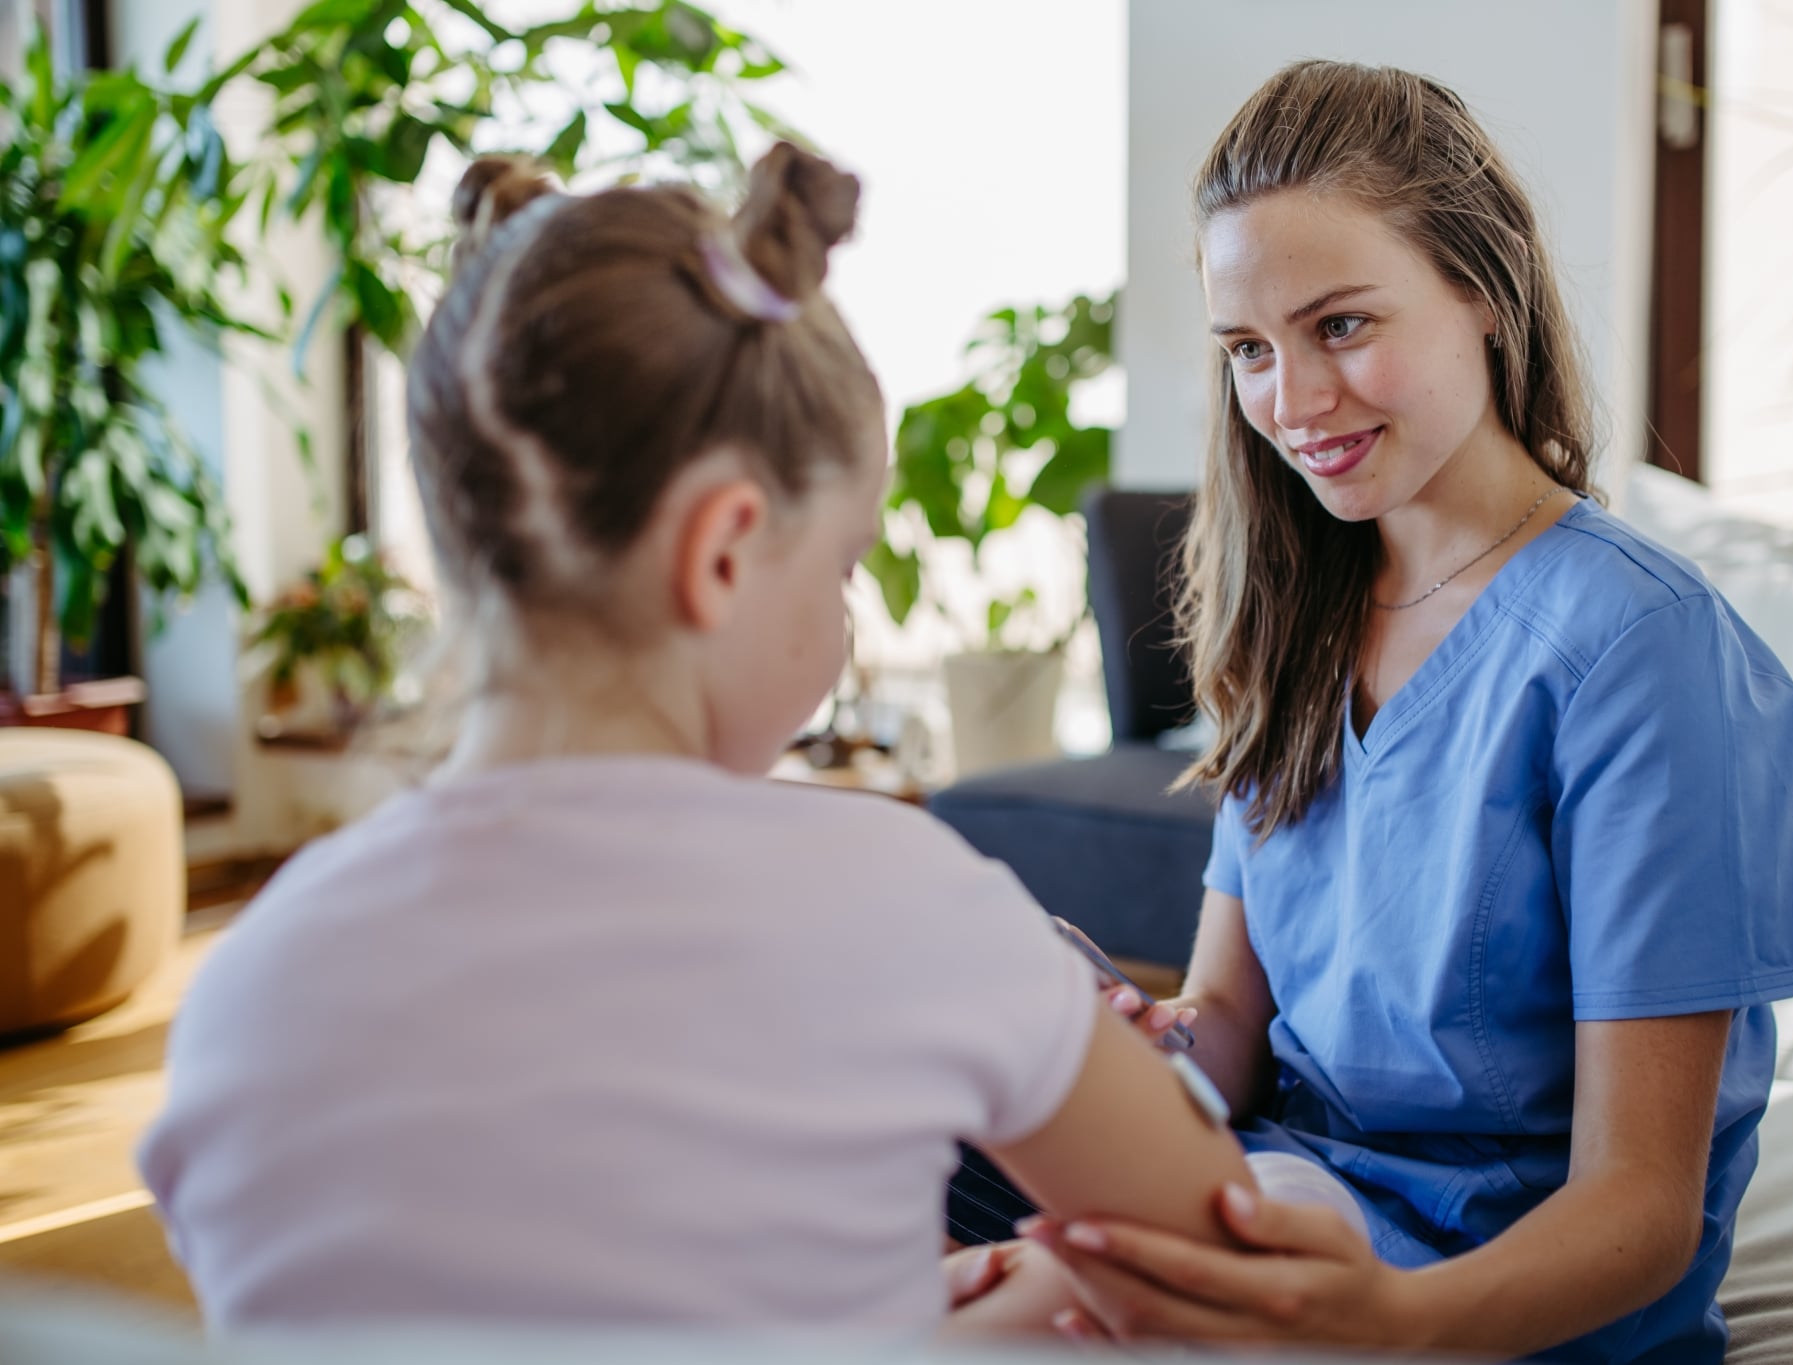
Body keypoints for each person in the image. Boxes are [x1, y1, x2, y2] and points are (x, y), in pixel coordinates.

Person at [137, 144, 1254, 1335]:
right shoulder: (901, 900)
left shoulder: (250, 984)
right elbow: (1223, 1253)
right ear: (720, 553)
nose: (842, 610)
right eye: (840, 564)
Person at [1009, 62, 1793, 1362]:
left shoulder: (1646, 654)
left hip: (1487, 1287)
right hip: (1277, 1185)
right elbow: (1222, 1031)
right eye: (1249, 351)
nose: (1291, 402)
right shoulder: (1298, 617)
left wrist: (1382, 1318)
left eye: (1339, 326)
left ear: (1482, 292)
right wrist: (1110, 1037)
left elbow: (1641, 1208)